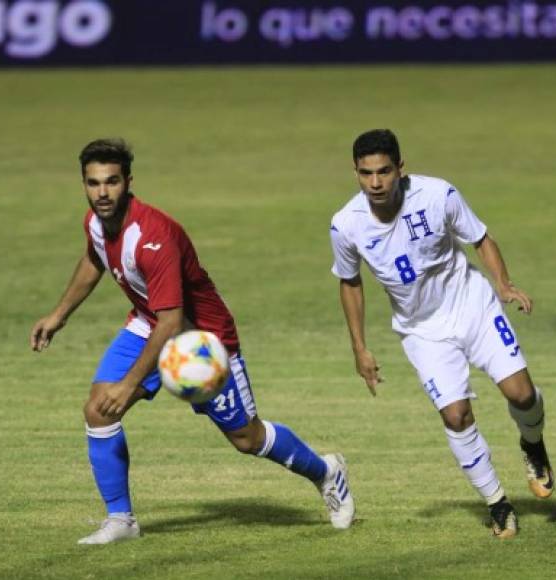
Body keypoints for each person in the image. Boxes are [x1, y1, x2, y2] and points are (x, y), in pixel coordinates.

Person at [31, 139, 354, 545]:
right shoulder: (96, 222)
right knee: (98, 410)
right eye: (93, 183)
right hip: (151, 323)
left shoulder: (154, 236)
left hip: (202, 340)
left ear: (128, 182)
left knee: (247, 438)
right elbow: (94, 258)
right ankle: (121, 520)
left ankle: (326, 471)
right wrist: (58, 315)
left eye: (112, 182)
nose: (102, 193)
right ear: (84, 184)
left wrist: (130, 383)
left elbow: (171, 323)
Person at [329, 129, 553, 538]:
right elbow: (350, 282)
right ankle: (497, 503)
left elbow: (480, 239)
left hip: (472, 306)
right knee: (455, 415)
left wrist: (503, 285)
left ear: (401, 168)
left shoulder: (438, 195)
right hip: (421, 331)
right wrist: (359, 348)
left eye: (383, 171)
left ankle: (533, 443)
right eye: (365, 174)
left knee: (521, 394)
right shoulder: (346, 225)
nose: (375, 183)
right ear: (356, 173)